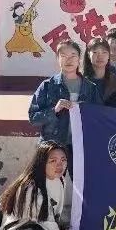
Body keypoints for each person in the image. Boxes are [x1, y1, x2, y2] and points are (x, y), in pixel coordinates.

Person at [29, 40, 99, 177]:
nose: (69, 60)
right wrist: (54, 110)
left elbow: (99, 118)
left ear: (79, 59)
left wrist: (85, 110)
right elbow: (33, 118)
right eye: (63, 56)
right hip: (52, 146)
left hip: (81, 147)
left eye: (73, 55)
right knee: (50, 185)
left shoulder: (90, 88)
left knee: (80, 185)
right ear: (57, 59)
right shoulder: (47, 86)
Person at [81, 37, 116, 109]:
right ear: (88, 55)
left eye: (104, 52)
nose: (100, 56)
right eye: (95, 52)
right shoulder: (80, 81)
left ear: (108, 56)